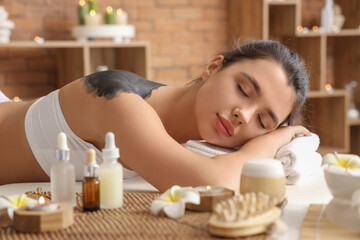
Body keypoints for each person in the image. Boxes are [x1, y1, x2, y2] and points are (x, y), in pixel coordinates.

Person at [0, 40, 310, 193]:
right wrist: (275, 138)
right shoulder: (119, 101)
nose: (244, 115)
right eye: (243, 89)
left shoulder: (189, 137)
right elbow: (213, 183)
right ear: (213, 68)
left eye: (264, 122)